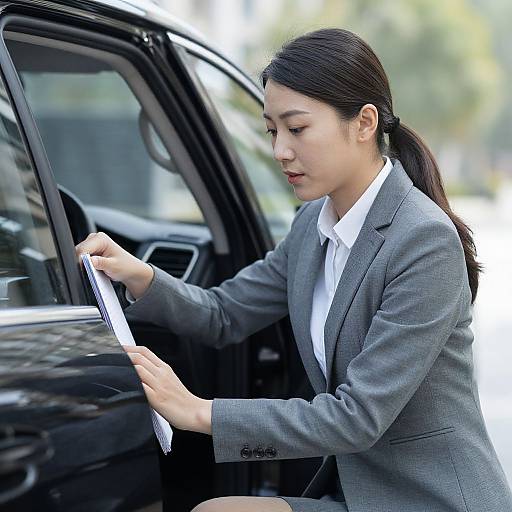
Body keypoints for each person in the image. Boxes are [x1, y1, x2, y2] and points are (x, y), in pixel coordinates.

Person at [76, 28, 512, 512]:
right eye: (271, 130)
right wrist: (139, 275)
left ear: (365, 122)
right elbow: (224, 314)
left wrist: (199, 412)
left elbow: (358, 417)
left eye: (297, 128)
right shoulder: (312, 225)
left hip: (427, 498)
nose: (280, 149)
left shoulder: (422, 241)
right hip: (354, 490)